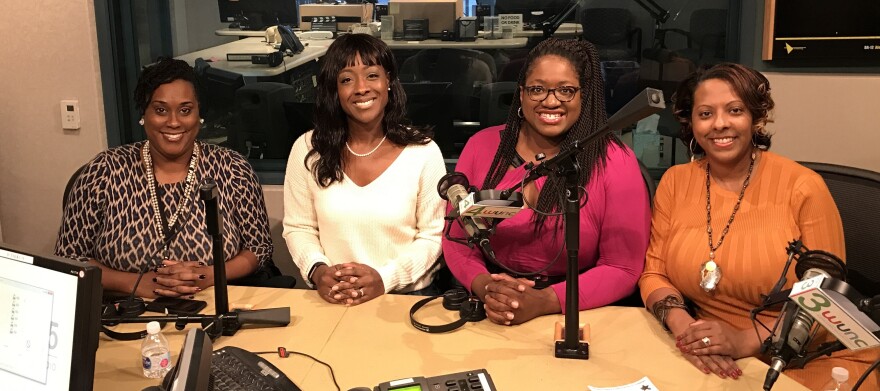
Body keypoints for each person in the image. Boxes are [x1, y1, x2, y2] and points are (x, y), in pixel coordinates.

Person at [639, 63, 878, 389]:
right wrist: (684, 328)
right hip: (709, 347)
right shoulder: (675, 182)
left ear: (756, 117)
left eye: (734, 110)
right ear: (690, 122)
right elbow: (654, 273)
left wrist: (743, 341)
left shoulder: (804, 187)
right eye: (705, 114)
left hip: (808, 355)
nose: (720, 124)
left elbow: (827, 303)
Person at [442, 38, 651, 326]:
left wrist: (545, 301)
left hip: (581, 313)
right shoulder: (482, 147)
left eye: (566, 90)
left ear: (584, 95)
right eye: (537, 89)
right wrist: (486, 287)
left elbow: (623, 268)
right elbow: (458, 240)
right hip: (492, 308)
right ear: (522, 93)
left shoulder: (615, 160)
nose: (550, 101)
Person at [55, 58, 273, 298]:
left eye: (185, 110)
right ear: (144, 114)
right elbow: (69, 258)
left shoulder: (232, 168)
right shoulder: (104, 171)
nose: (173, 122)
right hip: (127, 313)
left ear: (199, 114)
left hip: (216, 307)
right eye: (160, 110)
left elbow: (259, 248)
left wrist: (210, 275)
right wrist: (135, 283)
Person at [282, 34, 445, 305]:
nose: (361, 88)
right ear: (335, 90)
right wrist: (318, 271)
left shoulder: (424, 152)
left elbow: (433, 237)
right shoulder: (307, 148)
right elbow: (299, 227)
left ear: (389, 82)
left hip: (406, 298)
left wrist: (385, 278)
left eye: (371, 75)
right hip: (333, 298)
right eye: (346, 79)